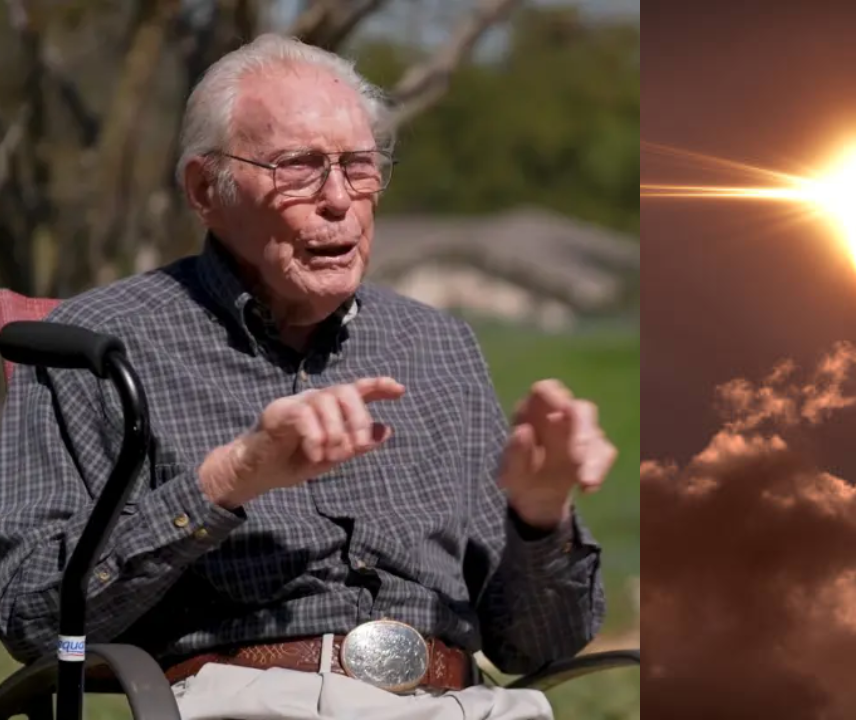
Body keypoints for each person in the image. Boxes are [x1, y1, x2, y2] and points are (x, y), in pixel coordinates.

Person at [0, 33, 617, 720]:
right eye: (299, 167)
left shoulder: (436, 343)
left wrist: (539, 515)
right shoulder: (98, 345)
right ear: (206, 189)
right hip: (249, 702)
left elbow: (542, 646)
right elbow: (33, 617)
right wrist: (226, 482)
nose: (338, 200)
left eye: (359, 166)